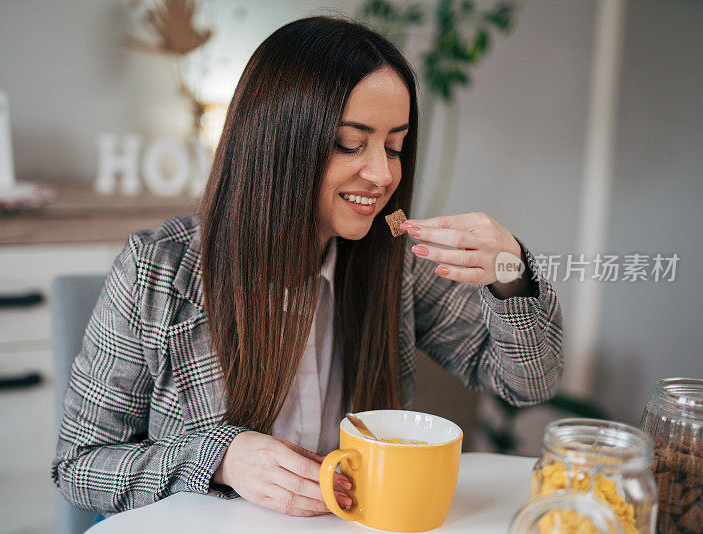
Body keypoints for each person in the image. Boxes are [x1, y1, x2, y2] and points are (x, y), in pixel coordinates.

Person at [52, 15, 563, 519]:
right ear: (277, 138)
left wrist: (508, 269)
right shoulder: (158, 268)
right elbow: (80, 466)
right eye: (349, 143)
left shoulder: (398, 264)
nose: (382, 174)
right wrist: (222, 459)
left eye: (395, 146)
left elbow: (529, 383)